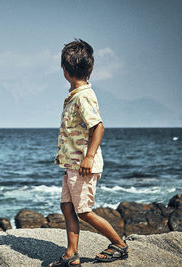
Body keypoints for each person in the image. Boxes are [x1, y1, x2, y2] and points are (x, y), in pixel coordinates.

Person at [50, 40, 128, 267]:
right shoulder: (75, 95)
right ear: (90, 69)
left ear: (65, 70)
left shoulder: (83, 96)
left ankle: (119, 245)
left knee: (83, 211)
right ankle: (71, 253)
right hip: (71, 165)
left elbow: (98, 126)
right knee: (66, 206)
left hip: (83, 165)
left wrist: (89, 156)